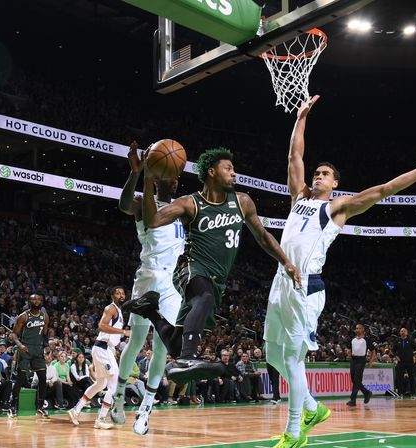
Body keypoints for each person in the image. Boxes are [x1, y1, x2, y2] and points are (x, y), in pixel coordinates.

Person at [262, 95, 416, 448]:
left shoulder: (337, 208)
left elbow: (385, 189)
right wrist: (301, 118)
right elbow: (294, 157)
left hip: (306, 284)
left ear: (335, 184)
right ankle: (313, 407)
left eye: (324, 174)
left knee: (292, 356)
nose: (317, 175)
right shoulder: (297, 199)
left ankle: (294, 431)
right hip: (280, 280)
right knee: (272, 354)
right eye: (316, 172)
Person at [124, 146, 301, 386]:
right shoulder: (190, 203)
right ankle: (187, 359)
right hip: (190, 269)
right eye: (228, 168)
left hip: (217, 279)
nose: (234, 174)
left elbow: (262, 235)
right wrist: (145, 177)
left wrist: (286, 261)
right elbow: (153, 220)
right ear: (211, 172)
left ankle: (150, 312)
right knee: (203, 297)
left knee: (176, 342)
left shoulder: (242, 202)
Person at [113, 140, 184, 435]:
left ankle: (147, 407)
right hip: (148, 278)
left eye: (177, 176)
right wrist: (137, 173)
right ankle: (118, 395)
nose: (176, 179)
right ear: (158, 178)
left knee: (162, 348)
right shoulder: (146, 205)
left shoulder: (182, 208)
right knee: (136, 341)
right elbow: (122, 204)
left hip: (172, 284)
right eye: (170, 175)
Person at [67, 287, 131, 430]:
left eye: (123, 293)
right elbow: (101, 326)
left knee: (101, 384)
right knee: (114, 384)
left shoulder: (119, 311)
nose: (121, 295)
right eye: (117, 293)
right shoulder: (111, 308)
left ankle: (75, 410)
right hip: (103, 348)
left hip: (106, 349)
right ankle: (100, 419)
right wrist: (124, 332)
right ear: (112, 296)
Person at [10, 294, 49, 417]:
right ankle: (12, 406)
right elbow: (13, 335)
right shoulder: (23, 316)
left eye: (39, 299)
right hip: (25, 349)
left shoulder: (45, 316)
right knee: (21, 379)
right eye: (34, 299)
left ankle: (40, 407)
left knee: (43, 379)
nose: (36, 301)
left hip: (38, 351)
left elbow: (44, 333)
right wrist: (19, 345)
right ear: (29, 301)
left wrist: (46, 345)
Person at [347, 324, 376, 406]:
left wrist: (371, 361)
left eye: (359, 328)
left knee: (357, 380)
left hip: (361, 360)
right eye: (356, 328)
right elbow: (350, 349)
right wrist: (349, 353)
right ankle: (366, 392)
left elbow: (373, 351)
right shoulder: (353, 340)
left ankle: (353, 400)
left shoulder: (366, 340)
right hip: (353, 360)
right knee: (354, 380)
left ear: (363, 329)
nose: (358, 330)